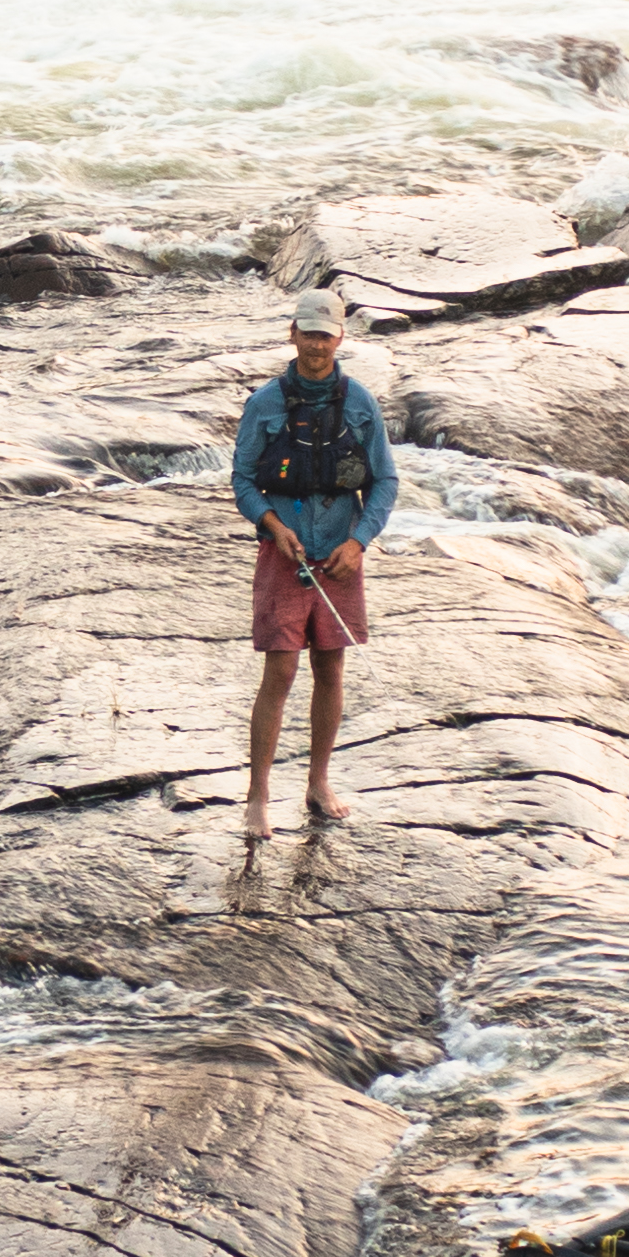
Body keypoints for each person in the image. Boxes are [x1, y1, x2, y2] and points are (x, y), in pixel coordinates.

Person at [231, 277, 399, 839]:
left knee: (330, 665)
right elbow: (241, 481)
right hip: (284, 554)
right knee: (279, 669)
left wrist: (359, 543)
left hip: (341, 555)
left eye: (326, 336)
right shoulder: (265, 404)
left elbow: (385, 482)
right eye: (308, 334)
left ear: (340, 337)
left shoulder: (361, 404)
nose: (316, 346)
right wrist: (271, 525)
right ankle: (258, 797)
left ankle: (318, 782)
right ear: (293, 333)